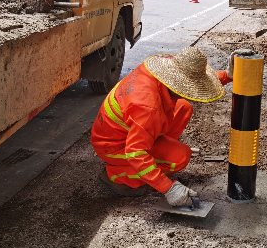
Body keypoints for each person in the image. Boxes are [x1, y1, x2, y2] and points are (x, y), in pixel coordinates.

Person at [91, 46, 251, 205]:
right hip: (113, 146)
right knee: (180, 157)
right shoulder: (148, 109)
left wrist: (227, 76)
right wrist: (168, 188)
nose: (194, 94)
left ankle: (155, 151)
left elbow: (194, 80)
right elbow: (136, 153)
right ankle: (116, 175)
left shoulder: (160, 73)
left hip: (129, 129)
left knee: (183, 108)